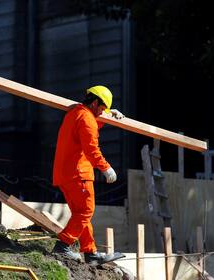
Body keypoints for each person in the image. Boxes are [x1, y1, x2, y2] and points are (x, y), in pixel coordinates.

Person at [52, 85, 125, 265]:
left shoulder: (75, 113)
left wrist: (108, 115)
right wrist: (106, 168)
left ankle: (90, 253)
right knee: (85, 211)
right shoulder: (87, 119)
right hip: (79, 174)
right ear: (94, 103)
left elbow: (87, 128)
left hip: (65, 174)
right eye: (101, 109)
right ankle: (63, 245)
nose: (102, 113)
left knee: (80, 214)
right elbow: (91, 147)